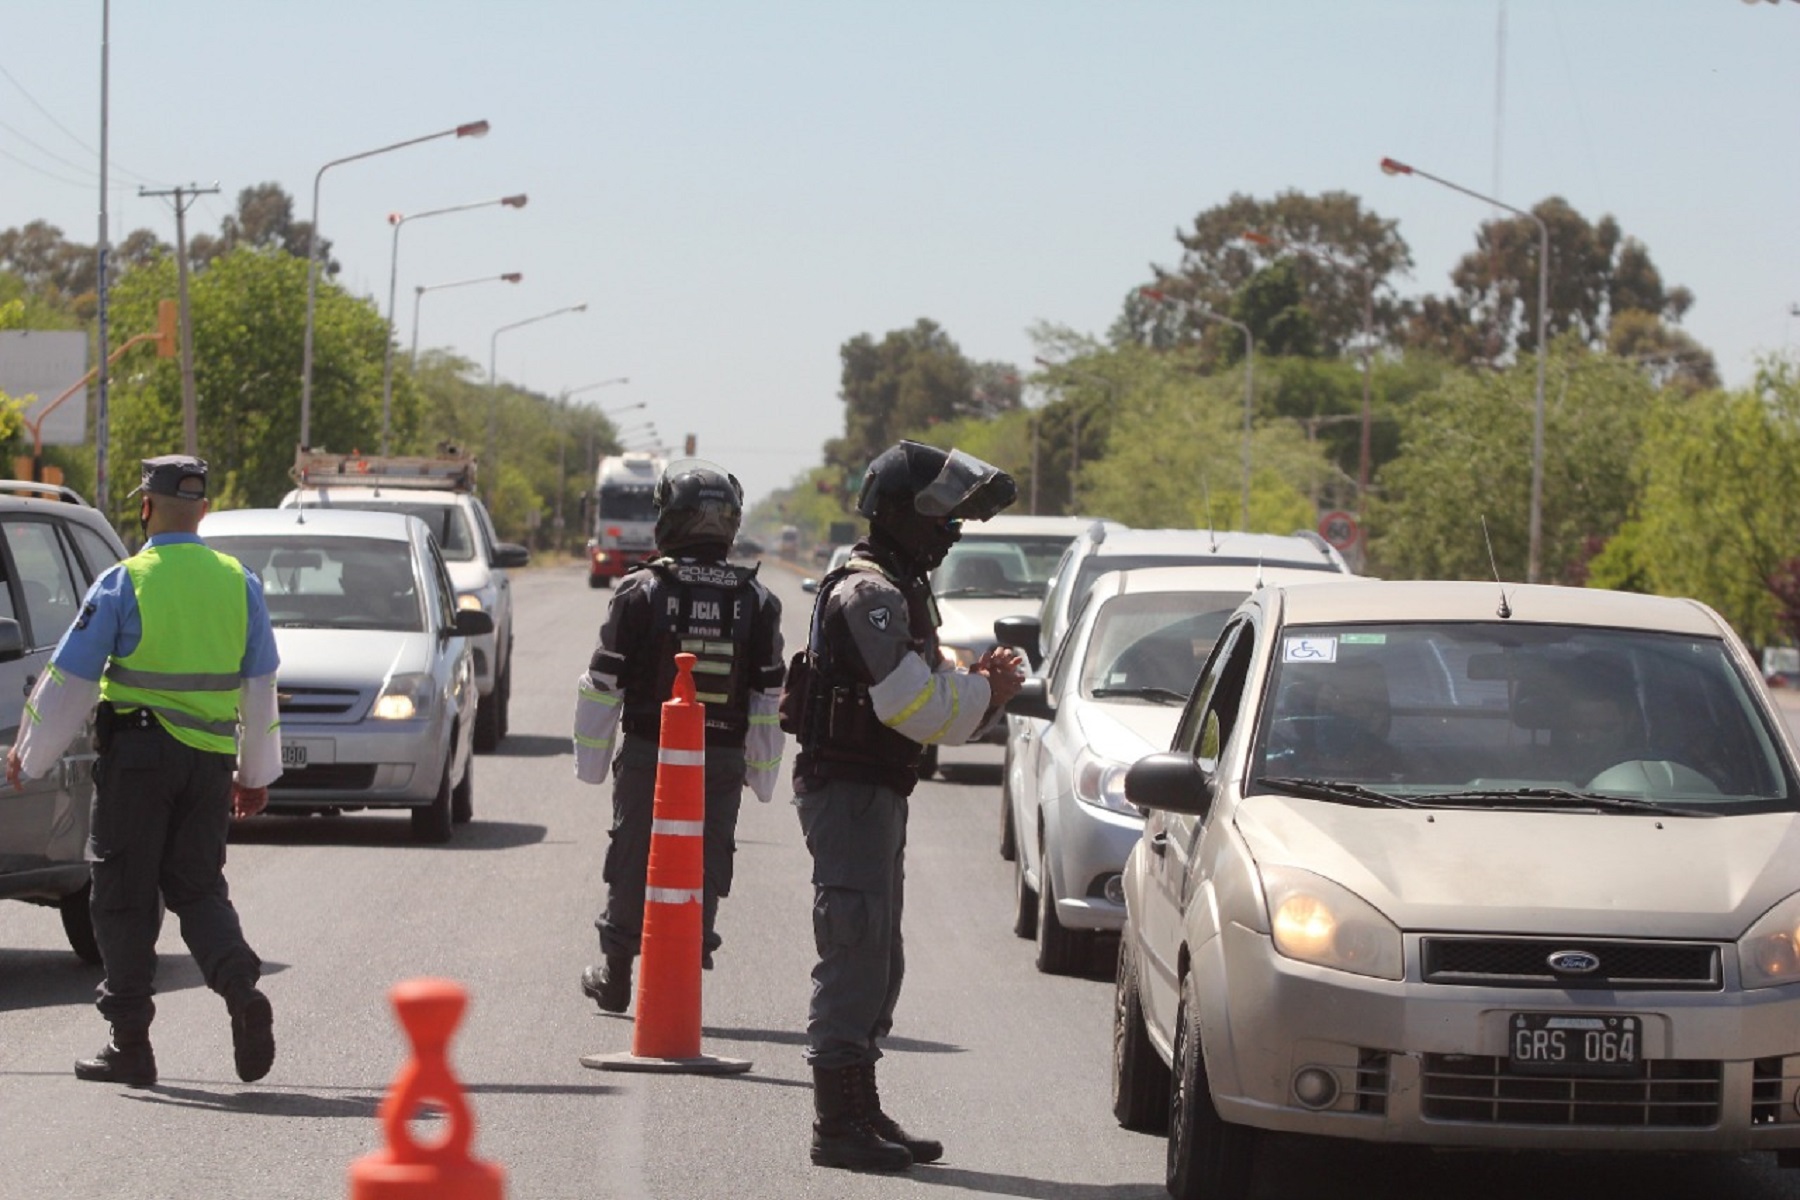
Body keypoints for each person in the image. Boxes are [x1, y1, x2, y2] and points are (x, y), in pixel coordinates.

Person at [5, 455, 282, 1087]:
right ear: (205, 511)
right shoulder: (241, 584)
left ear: (146, 507)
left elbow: (70, 678)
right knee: (199, 889)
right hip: (209, 763)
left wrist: (31, 752)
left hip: (138, 759)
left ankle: (130, 1044)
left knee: (124, 896)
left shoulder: (124, 582)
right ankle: (241, 989)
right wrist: (255, 773)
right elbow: (260, 684)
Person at [784, 440, 1022, 1172]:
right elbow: (915, 704)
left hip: (876, 790)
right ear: (894, 513)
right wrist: (990, 692)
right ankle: (838, 1125)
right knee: (854, 949)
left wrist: (974, 686)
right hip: (850, 790)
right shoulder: (871, 593)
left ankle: (862, 1104)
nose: (952, 530)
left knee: (880, 955)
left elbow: (928, 689)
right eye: (941, 517)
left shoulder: (901, 586)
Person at [572, 459, 785, 1013]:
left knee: (633, 851)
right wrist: (762, 774)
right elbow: (767, 699)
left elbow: (603, 683)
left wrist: (591, 765)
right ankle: (683, 974)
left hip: (651, 749)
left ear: (670, 517)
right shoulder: (756, 599)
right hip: (722, 757)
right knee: (706, 857)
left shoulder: (641, 590)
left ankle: (618, 974)